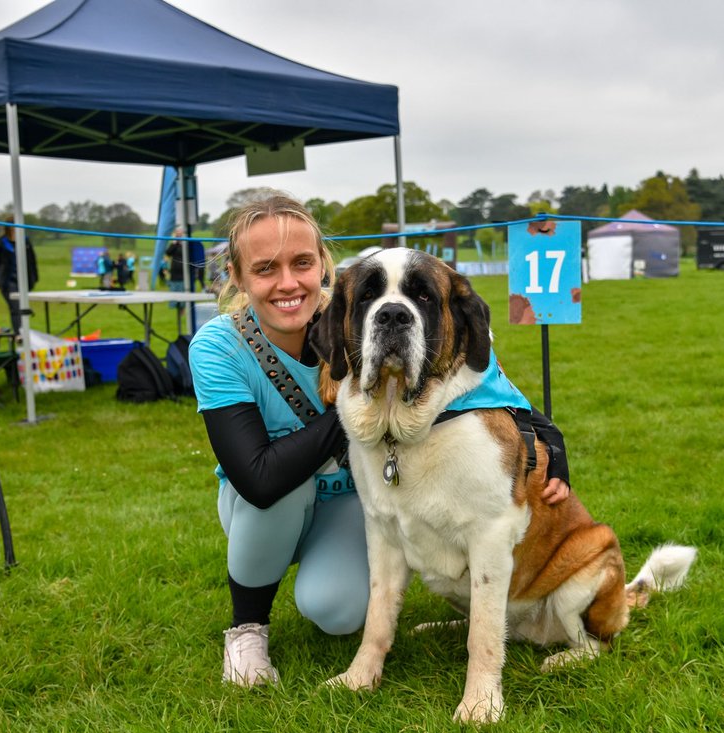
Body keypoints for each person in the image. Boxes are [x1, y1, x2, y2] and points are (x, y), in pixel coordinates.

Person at [188, 194, 571, 687]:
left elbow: (485, 382)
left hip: (344, 501)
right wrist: (362, 401)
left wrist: (549, 438)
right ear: (238, 278)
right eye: (265, 268)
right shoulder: (223, 346)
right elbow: (257, 478)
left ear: (321, 265)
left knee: (336, 607)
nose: (287, 282)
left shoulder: (350, 306)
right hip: (261, 504)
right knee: (281, 492)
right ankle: (247, 629)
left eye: (302, 263)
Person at [0, 225, 39, 331]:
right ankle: (20, 334)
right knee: (16, 306)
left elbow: (32, 260)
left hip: (24, 280)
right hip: (7, 281)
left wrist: (35, 277)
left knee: (22, 306)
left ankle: (23, 332)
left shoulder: (25, 242)